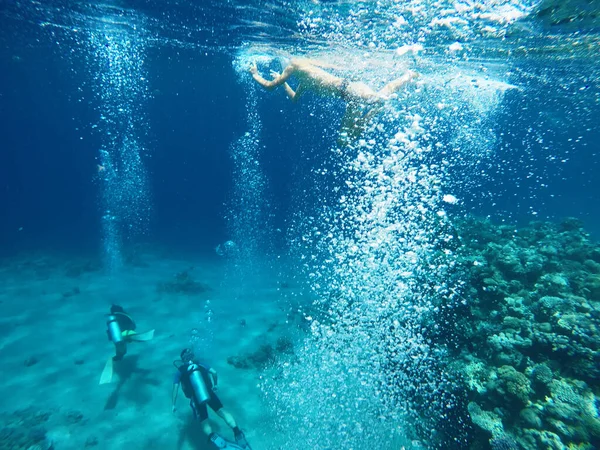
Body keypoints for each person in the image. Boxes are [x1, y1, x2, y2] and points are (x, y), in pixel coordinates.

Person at [249, 57, 417, 144]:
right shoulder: (304, 83)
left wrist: (255, 75)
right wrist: (284, 82)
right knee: (343, 141)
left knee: (379, 98)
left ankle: (407, 77)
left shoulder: (295, 64)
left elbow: (270, 86)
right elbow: (294, 99)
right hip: (349, 98)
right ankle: (373, 113)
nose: (284, 69)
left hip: (350, 89)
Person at [172, 348, 250, 450]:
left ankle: (214, 437)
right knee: (221, 411)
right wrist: (215, 385)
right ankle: (237, 432)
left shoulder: (180, 371)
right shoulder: (200, 365)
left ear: (182, 360)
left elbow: (175, 387)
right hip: (208, 391)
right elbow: (214, 372)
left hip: (196, 398)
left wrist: (173, 404)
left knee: (204, 420)